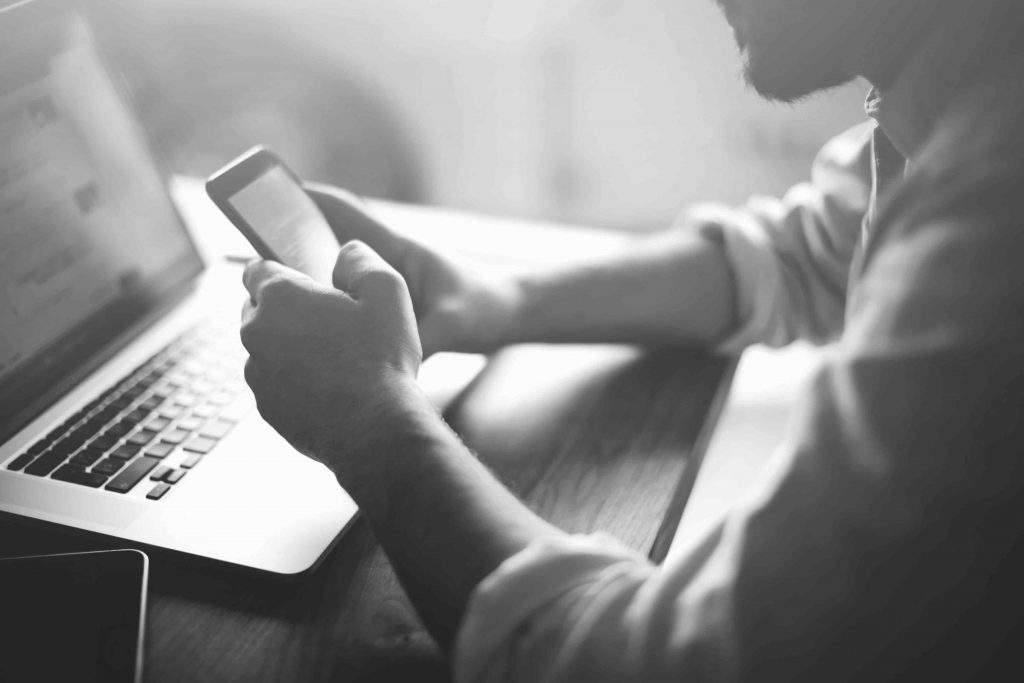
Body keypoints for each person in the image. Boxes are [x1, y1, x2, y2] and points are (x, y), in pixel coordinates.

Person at [238, 0, 1024, 679]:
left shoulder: (996, 197)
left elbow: (667, 669)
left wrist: (377, 428)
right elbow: (813, 250)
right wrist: (490, 299)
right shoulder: (963, 83)